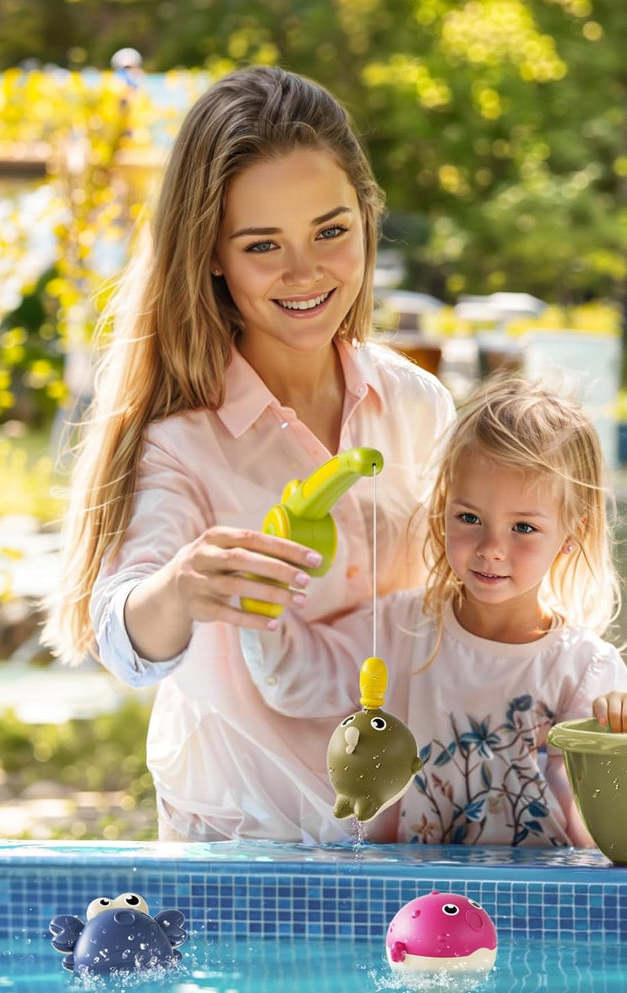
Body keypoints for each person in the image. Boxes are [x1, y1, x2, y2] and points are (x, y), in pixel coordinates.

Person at [41, 66, 457, 843]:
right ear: (211, 256)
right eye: (263, 244)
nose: (305, 272)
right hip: (240, 850)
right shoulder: (183, 443)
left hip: (406, 846)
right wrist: (181, 589)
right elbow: (123, 637)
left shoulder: (418, 405)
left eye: (331, 231)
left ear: (368, 218)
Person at [240, 375, 627, 846]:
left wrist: (621, 730)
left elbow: (606, 829)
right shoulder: (399, 628)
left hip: (542, 902)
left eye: (523, 527)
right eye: (470, 518)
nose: (492, 548)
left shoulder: (585, 669)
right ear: (442, 510)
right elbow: (295, 681)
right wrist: (262, 599)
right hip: (415, 898)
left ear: (571, 534)